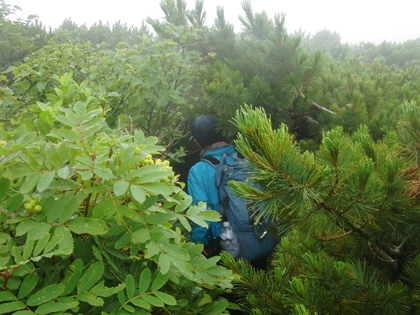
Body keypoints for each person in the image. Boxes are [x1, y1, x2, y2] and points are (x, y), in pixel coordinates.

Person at [187, 115, 236, 258]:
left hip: (226, 247)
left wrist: (198, 246)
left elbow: (202, 213)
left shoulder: (198, 171)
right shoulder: (245, 159)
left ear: (197, 143)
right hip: (257, 239)